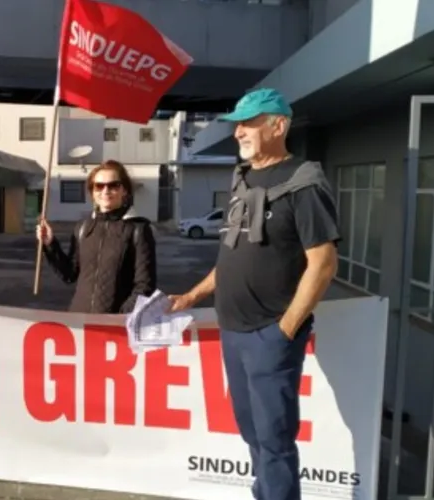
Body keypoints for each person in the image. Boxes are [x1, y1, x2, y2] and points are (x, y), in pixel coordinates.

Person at [169, 88, 340, 500]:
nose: (238, 133)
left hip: (270, 334)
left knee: (275, 441)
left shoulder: (304, 183)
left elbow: (324, 264)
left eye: (248, 123)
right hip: (232, 330)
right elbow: (230, 257)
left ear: (278, 125)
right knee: (251, 432)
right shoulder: (242, 178)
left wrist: (285, 329)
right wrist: (192, 297)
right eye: (237, 125)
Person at [36, 160, 156, 314]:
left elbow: (145, 286)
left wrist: (118, 317)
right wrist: (50, 244)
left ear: (124, 190)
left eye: (113, 185)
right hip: (79, 320)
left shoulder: (139, 229)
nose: (105, 191)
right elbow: (69, 274)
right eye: (99, 186)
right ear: (92, 192)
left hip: (113, 326)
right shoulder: (83, 227)